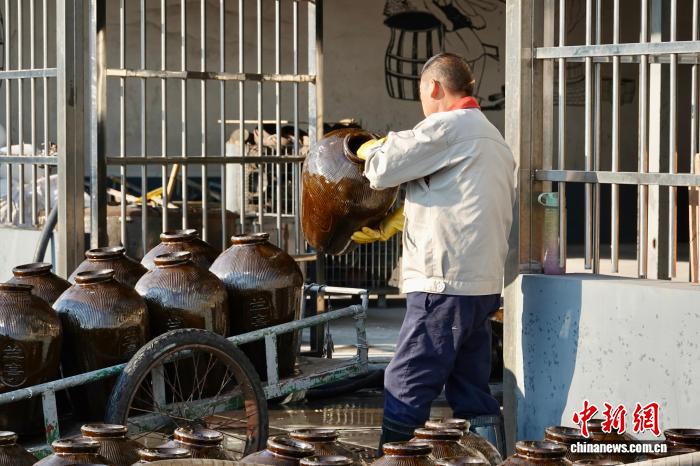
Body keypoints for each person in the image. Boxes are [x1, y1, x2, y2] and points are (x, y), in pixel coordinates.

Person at [352, 52, 516, 451]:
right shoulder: (492, 137)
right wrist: (400, 219)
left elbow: (382, 169)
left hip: (444, 286)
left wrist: (368, 146)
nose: (422, 105)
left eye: (422, 94)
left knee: (406, 381)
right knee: (471, 387)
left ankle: (395, 459)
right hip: (480, 287)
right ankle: (490, 457)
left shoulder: (447, 127)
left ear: (435, 87)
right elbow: (456, 194)